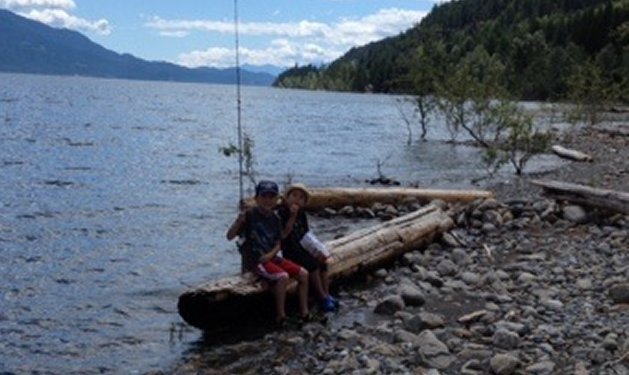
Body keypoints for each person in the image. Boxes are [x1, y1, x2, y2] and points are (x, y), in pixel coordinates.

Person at [226, 180, 312, 326]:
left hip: (270, 258)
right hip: (255, 260)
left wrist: (271, 255)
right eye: (264, 196)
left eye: (271, 197)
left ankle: (304, 312)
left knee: (303, 274)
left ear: (276, 199)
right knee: (282, 276)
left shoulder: (275, 218)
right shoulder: (249, 215)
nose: (267, 200)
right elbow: (230, 236)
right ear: (256, 198)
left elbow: (279, 241)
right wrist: (239, 222)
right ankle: (281, 316)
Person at [278, 183, 339, 312]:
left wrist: (317, 249)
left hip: (303, 246)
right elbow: (283, 235)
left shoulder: (302, 214)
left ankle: (326, 294)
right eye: (294, 195)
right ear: (287, 198)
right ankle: (321, 297)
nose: (296, 199)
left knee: (322, 261)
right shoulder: (282, 213)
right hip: (290, 250)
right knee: (312, 265)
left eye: (301, 198)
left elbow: (306, 235)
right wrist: (292, 216)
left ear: (304, 202)